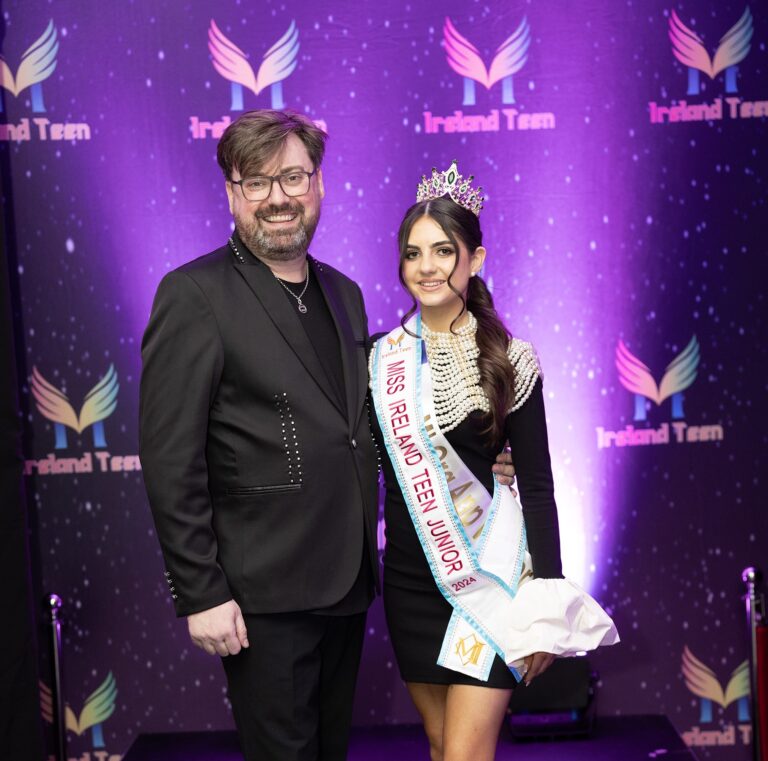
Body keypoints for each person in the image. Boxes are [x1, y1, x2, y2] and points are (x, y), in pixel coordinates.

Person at [139, 112, 518, 761]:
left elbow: (366, 425)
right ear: (231, 193)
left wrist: (478, 454)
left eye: (293, 176)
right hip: (262, 596)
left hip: (345, 583)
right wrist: (201, 592)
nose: (279, 196)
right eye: (257, 181)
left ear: (318, 185)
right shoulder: (195, 294)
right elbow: (170, 456)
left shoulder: (342, 292)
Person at [368, 162, 619, 761]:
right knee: (438, 743)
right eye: (413, 253)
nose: (425, 267)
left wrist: (547, 606)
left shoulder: (512, 359)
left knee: (464, 754)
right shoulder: (379, 363)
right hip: (409, 578)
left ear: (474, 259)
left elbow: (537, 485)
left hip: (491, 579)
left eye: (442, 251)